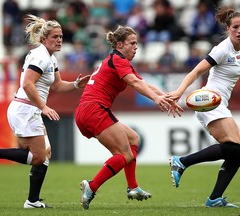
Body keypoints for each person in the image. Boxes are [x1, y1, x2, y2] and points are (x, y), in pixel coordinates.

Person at [0, 14, 90, 208]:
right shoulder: (40, 56)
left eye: (61, 36)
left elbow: (56, 85)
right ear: (44, 39)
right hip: (25, 109)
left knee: (45, 154)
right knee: (38, 157)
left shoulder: (50, 57)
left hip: (27, 109)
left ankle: (32, 200)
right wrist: (43, 106)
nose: (59, 40)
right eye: (55, 37)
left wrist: (75, 84)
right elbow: (27, 84)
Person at [168, 7, 240, 208]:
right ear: (228, 28)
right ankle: (182, 162)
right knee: (235, 148)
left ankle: (214, 198)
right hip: (210, 101)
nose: (239, 31)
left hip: (221, 103)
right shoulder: (222, 49)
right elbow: (195, 72)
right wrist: (179, 93)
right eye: (235, 27)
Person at [75, 25, 183, 210]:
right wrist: (156, 98)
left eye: (136, 43)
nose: (136, 47)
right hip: (94, 109)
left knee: (133, 138)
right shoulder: (118, 59)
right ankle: (91, 186)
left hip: (89, 110)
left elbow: (142, 83)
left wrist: (165, 96)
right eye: (132, 43)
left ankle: (133, 187)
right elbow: (133, 82)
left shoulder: (118, 60)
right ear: (119, 44)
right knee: (124, 155)